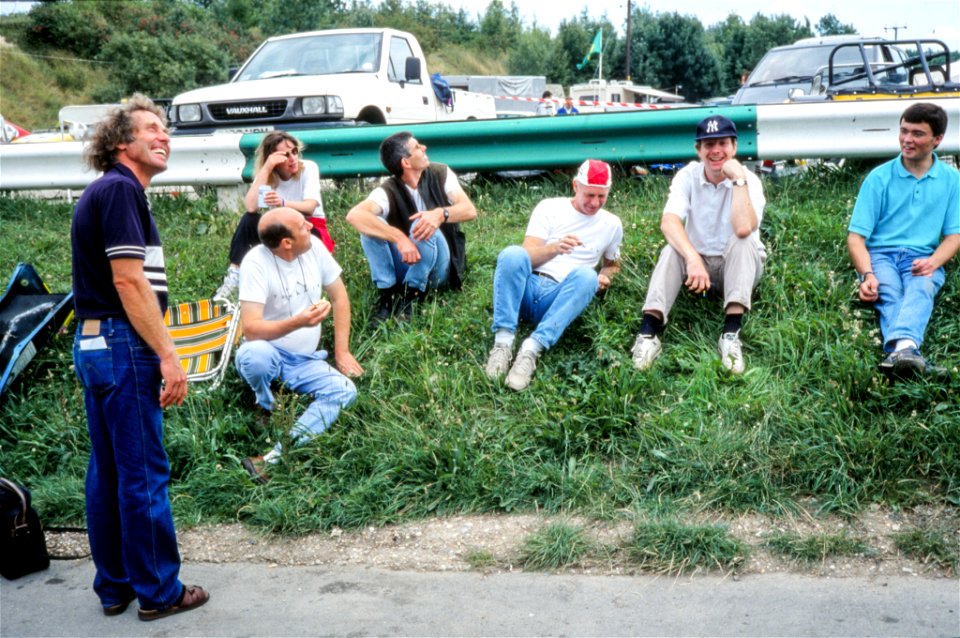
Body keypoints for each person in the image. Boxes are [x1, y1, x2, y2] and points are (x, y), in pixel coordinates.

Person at [70, 94, 209, 621]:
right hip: (123, 342)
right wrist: (169, 356)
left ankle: (116, 586)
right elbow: (129, 281)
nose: (163, 135)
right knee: (143, 472)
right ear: (121, 142)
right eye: (151, 128)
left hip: (94, 340)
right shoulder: (122, 190)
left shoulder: (107, 191)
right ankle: (159, 592)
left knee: (108, 470)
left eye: (166, 129)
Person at [630, 114, 766, 374]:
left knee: (743, 240)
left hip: (737, 267)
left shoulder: (750, 180)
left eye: (723, 144)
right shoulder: (687, 176)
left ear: (734, 147)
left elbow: (743, 227)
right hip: (698, 269)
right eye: (708, 145)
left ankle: (731, 333)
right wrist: (692, 258)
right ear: (698, 150)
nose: (716, 151)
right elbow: (669, 222)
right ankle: (648, 332)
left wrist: (738, 180)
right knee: (671, 249)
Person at [236, 207, 363, 482]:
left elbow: (340, 298)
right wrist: (299, 322)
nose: (310, 227)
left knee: (344, 391)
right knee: (254, 356)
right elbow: (251, 329)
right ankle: (263, 400)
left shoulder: (314, 248)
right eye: (303, 226)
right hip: (268, 350)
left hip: (306, 359)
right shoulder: (255, 263)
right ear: (286, 243)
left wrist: (341, 352)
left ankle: (272, 459)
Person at [484, 159, 622, 391]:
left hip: (559, 296)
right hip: (528, 287)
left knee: (588, 276)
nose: (595, 203)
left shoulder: (612, 224)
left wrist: (606, 276)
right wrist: (555, 248)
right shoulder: (549, 207)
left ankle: (531, 349)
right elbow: (525, 257)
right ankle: (503, 343)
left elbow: (613, 264)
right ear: (575, 186)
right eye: (589, 195)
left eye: (601, 197)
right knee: (511, 254)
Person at [847, 102, 959, 378]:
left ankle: (897, 354)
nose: (907, 140)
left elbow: (954, 236)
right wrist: (867, 274)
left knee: (921, 285)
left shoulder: (952, 180)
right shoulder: (879, 178)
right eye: (904, 131)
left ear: (937, 140)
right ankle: (909, 352)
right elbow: (856, 237)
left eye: (917, 134)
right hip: (881, 254)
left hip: (920, 255)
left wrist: (933, 262)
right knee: (888, 291)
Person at [345, 130, 477, 322]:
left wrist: (440, 214)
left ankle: (412, 297)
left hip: (440, 267)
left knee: (422, 221)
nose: (424, 148)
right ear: (406, 163)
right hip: (407, 264)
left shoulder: (441, 173)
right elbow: (355, 215)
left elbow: (469, 210)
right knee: (370, 226)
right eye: (417, 147)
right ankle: (388, 294)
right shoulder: (387, 190)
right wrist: (399, 238)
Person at [214, 131, 330, 300]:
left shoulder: (308, 168)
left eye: (294, 152)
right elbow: (251, 207)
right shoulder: (267, 175)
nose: (292, 158)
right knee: (249, 220)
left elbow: (310, 207)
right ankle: (235, 276)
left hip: (308, 226)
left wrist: (282, 203)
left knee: (287, 227)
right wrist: (267, 168)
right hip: (279, 227)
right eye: (285, 155)